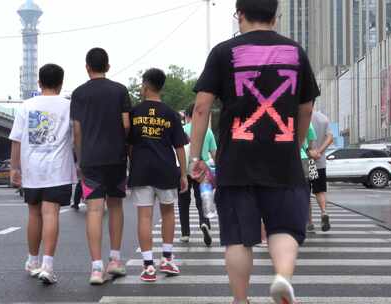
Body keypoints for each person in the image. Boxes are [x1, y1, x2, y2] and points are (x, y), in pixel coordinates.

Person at [188, 0, 320, 303]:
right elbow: (306, 107)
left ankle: (240, 299)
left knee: (237, 237)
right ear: (276, 17)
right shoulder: (296, 52)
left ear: (240, 15)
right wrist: (295, 142)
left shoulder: (222, 52)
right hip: (283, 162)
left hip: (236, 160)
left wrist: (195, 158)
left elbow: (201, 107)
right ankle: (282, 278)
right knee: (285, 228)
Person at [9, 63, 77, 285]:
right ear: (61, 83)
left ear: (39, 82)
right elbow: (76, 137)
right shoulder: (69, 106)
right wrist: (80, 162)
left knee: (34, 214)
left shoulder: (26, 106)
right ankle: (47, 265)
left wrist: (14, 168)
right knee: (51, 214)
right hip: (58, 170)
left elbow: (17, 140)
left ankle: (32, 261)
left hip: (32, 170)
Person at [71, 47, 131, 285]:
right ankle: (115, 260)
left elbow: (77, 130)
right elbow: (126, 124)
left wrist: (80, 158)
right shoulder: (120, 90)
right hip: (116, 157)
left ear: (87, 67)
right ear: (108, 66)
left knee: (94, 211)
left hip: (91, 160)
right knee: (116, 207)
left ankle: (96, 268)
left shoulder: (78, 94)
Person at [128, 68, 189, 282]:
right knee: (168, 214)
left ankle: (148, 266)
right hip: (166, 170)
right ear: (161, 87)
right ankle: (167, 259)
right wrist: (183, 173)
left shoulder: (135, 112)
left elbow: (130, 145)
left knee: (144, 217)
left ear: (145, 85)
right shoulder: (170, 113)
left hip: (141, 170)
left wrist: (131, 164)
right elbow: (180, 146)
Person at [178, 103, 217, 246]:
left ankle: (185, 233)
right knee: (202, 200)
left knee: (183, 200)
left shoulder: (182, 130)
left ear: (188, 116)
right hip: (202, 168)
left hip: (185, 167)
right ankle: (204, 222)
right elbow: (214, 153)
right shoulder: (208, 131)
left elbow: (178, 150)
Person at [309, 111, 333, 232]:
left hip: (306, 162)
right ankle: (324, 212)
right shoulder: (323, 118)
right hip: (318, 162)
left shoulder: (301, 116)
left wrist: (311, 152)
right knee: (320, 191)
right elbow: (330, 137)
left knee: (305, 193)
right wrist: (319, 151)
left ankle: (309, 223)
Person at [300, 123, 318, 232]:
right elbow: (311, 138)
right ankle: (309, 222)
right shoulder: (307, 119)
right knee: (306, 192)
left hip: (287, 158)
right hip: (305, 158)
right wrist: (308, 148)